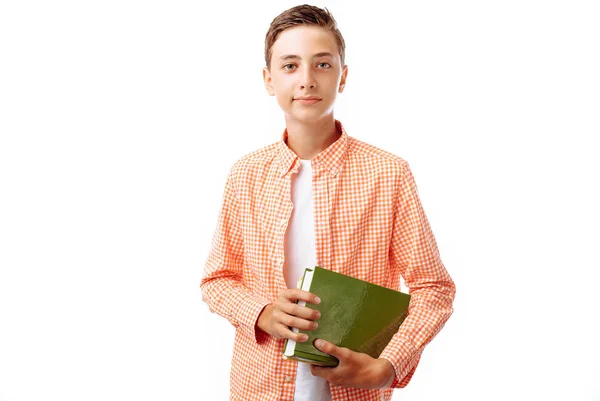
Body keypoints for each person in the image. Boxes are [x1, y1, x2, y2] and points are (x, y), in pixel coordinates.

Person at [200, 4, 456, 401]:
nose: (306, 80)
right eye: (290, 66)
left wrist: (388, 366)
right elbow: (217, 280)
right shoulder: (245, 174)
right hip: (259, 387)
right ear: (269, 80)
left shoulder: (388, 173)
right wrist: (262, 313)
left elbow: (433, 288)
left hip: (355, 393)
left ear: (343, 76)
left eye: (322, 64)